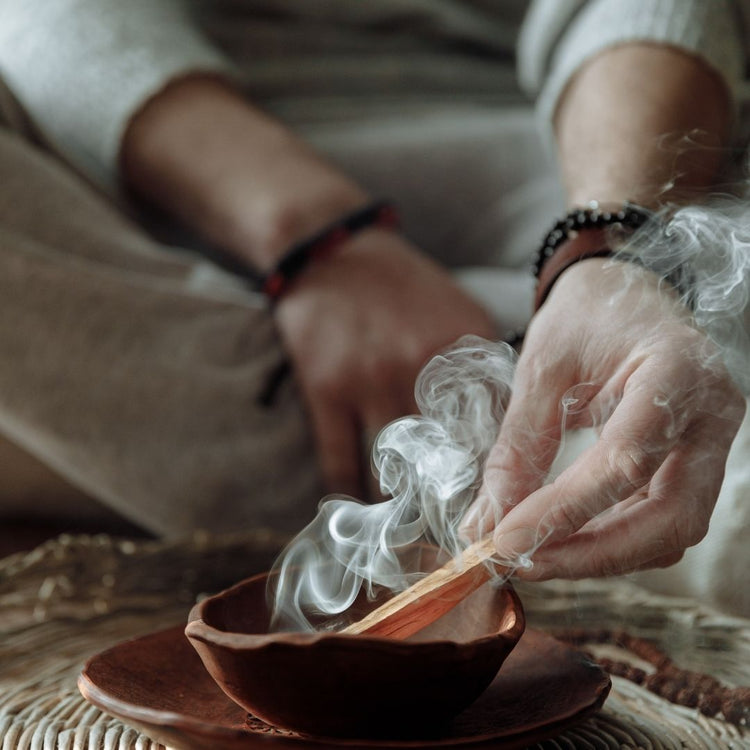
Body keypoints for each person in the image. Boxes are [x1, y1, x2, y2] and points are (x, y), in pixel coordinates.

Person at [0, 1, 748, 613]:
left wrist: (609, 254)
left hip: (572, 141)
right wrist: (323, 239)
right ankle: (571, 463)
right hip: (133, 165)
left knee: (712, 260)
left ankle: (121, 448)